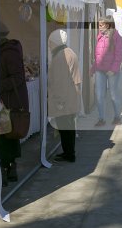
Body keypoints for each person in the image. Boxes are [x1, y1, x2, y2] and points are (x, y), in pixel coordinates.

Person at [0, 21, 29, 186]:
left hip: (9, 102)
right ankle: (10, 169)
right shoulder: (7, 50)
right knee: (9, 135)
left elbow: (17, 78)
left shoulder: (8, 53)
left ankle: (7, 169)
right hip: (9, 102)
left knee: (6, 135)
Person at [48, 29, 82, 163]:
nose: (49, 45)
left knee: (65, 128)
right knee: (68, 127)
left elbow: (60, 81)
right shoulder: (69, 52)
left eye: (51, 42)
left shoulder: (61, 56)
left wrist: (58, 100)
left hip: (64, 99)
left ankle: (69, 154)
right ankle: (69, 152)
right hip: (70, 96)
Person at [91, 15, 122, 127]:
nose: (99, 27)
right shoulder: (99, 37)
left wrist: (114, 69)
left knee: (113, 95)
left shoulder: (117, 37)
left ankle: (117, 117)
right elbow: (98, 56)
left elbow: (118, 55)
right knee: (99, 95)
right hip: (100, 70)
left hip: (112, 71)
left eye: (101, 25)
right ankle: (101, 118)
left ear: (108, 25)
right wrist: (92, 69)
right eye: (99, 25)